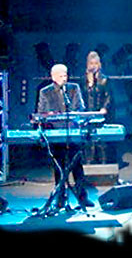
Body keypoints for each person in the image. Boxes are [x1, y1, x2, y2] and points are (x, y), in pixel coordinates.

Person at [36, 64, 94, 208]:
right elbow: (41, 112)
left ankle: (82, 198)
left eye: (65, 75)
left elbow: (80, 107)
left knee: (77, 166)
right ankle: (60, 198)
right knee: (59, 167)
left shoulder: (74, 88)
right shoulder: (45, 92)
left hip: (72, 131)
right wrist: (52, 116)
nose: (64, 78)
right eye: (61, 76)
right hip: (56, 133)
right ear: (53, 77)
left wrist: (72, 118)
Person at [82, 51, 117, 165]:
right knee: (88, 139)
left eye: (96, 63)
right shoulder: (84, 80)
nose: (93, 66)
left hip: (100, 113)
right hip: (88, 113)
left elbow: (108, 96)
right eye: (91, 63)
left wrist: (104, 108)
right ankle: (89, 162)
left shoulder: (104, 79)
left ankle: (103, 162)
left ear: (99, 65)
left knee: (101, 140)